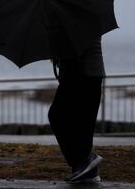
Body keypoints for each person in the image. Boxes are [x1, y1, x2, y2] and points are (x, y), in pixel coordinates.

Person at [47, 25, 105, 184]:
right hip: (88, 73)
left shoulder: (73, 16)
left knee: (58, 115)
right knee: (79, 125)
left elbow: (76, 43)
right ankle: (87, 171)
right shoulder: (76, 13)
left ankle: (86, 162)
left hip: (82, 73)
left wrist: (57, 48)